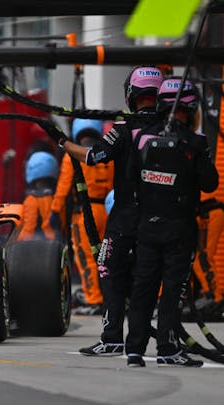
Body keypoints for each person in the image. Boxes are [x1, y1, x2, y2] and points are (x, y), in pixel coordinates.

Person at [59, 66, 164, 356]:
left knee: (108, 268)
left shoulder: (123, 129)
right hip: (163, 219)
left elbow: (93, 157)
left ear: (132, 93)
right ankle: (166, 341)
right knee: (151, 278)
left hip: (126, 218)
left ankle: (113, 336)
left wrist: (63, 143)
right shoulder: (172, 130)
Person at [125, 77, 218, 367]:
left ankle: (135, 350)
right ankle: (167, 349)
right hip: (179, 230)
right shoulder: (196, 142)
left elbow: (129, 179)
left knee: (143, 289)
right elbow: (211, 183)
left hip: (147, 227)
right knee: (172, 290)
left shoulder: (140, 137)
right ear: (190, 109)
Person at [51, 118, 114, 315]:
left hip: (85, 213)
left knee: (86, 257)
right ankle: (109, 297)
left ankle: (94, 299)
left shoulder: (74, 155)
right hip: (108, 209)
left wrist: (55, 212)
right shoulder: (108, 156)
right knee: (107, 258)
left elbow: (63, 188)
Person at [18, 151, 59, 241]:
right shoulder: (57, 199)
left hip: (31, 247)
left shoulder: (30, 200)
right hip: (55, 246)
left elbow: (27, 231)